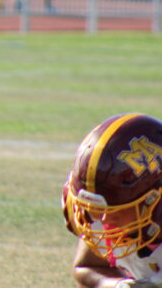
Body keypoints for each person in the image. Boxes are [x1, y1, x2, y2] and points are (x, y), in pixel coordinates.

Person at [62, 113, 162, 287]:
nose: (105, 220)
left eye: (118, 209)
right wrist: (118, 285)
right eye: (99, 210)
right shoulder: (101, 215)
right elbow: (87, 267)